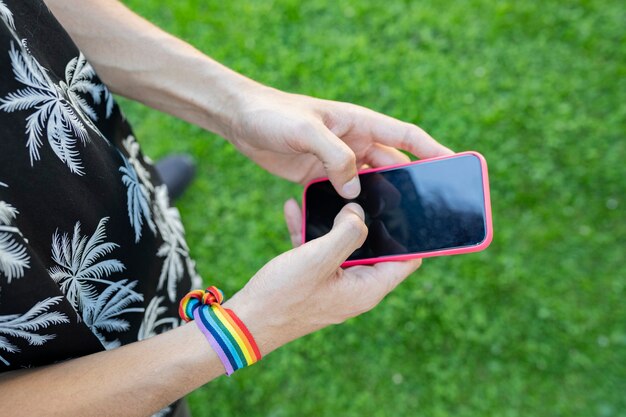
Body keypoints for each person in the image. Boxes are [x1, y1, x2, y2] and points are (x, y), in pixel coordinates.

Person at [0, 0, 453, 416]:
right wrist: (242, 330)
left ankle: (123, 213)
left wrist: (234, 106)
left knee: (131, 222)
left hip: (73, 171)